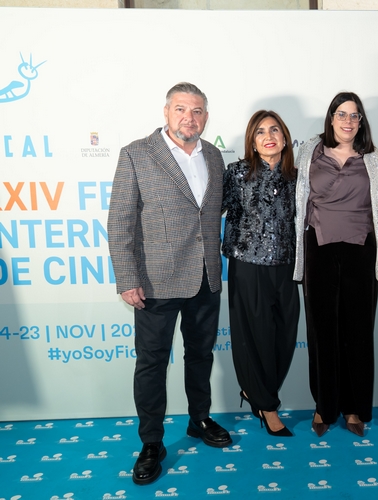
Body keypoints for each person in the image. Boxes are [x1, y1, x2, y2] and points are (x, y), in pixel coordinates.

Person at [107, 82, 231, 486]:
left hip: (205, 277)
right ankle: (151, 442)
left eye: (196, 111)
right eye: (181, 109)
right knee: (152, 364)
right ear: (166, 112)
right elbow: (120, 222)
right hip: (155, 282)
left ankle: (199, 419)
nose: (188, 118)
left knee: (201, 355)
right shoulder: (136, 154)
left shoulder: (214, 155)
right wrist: (127, 278)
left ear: (205, 117)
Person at [293, 92, 378, 438]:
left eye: (354, 115)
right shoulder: (310, 151)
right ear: (331, 118)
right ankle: (324, 406)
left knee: (358, 333)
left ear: (361, 122)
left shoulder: (373, 157)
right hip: (319, 247)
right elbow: (300, 200)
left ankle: (354, 407)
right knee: (322, 333)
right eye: (341, 114)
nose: (348, 121)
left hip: (361, 249)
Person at [222, 110, 299, 437]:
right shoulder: (237, 172)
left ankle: (255, 390)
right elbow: (211, 208)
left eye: (275, 130)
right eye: (260, 132)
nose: (269, 136)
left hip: (287, 265)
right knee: (255, 338)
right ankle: (268, 406)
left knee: (285, 337)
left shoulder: (297, 176)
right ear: (252, 142)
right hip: (248, 265)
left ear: (285, 137)